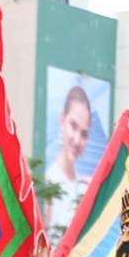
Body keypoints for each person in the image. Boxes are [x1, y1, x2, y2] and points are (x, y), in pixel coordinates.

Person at [45, 86, 91, 241]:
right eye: (73, 125)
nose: (77, 140)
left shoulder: (84, 188)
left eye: (84, 134)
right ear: (62, 120)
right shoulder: (49, 181)